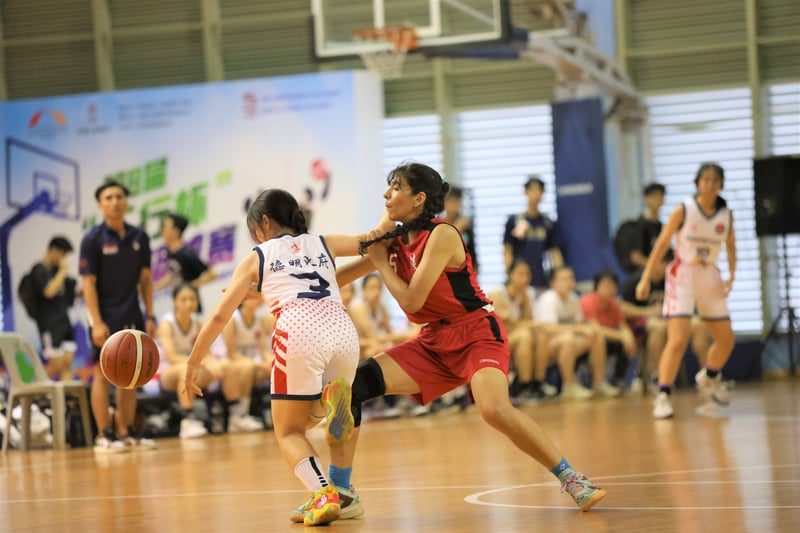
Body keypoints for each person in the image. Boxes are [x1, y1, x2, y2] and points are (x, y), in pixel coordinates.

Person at [331, 162, 606, 515]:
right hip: (433, 342)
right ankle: (342, 491)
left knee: (493, 409)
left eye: (395, 187)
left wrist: (381, 262)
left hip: (476, 332)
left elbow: (412, 300)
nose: (386, 194)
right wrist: (274, 288)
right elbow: (338, 278)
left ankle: (573, 478)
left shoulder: (441, 235)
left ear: (418, 199)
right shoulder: (394, 242)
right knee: (352, 386)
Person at [184, 188, 383, 526]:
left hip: (299, 329)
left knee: (288, 431)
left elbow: (219, 315)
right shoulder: (323, 242)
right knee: (304, 420)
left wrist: (193, 362)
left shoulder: (258, 256)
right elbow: (374, 242)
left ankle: (323, 494)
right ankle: (326, 404)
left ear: (263, 221)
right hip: (342, 329)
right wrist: (391, 219)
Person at [636, 163, 736, 419]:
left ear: (721, 184)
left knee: (725, 340)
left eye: (715, 180)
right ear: (697, 183)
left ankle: (710, 376)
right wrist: (646, 277)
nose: (710, 184)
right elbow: (661, 243)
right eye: (705, 179)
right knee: (678, 339)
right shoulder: (684, 209)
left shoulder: (726, 214)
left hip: (709, 274)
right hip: (682, 274)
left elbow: (732, 247)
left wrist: (732, 275)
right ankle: (663, 395)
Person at [79, 179, 157, 453]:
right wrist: (96, 322)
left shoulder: (140, 237)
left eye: (119, 196)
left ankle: (125, 431)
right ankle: (104, 434)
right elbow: (87, 283)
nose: (114, 201)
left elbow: (146, 280)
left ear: (126, 202)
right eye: (108, 197)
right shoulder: (92, 240)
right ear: (101, 205)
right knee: (102, 374)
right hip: (104, 316)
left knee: (131, 376)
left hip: (133, 314)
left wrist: (150, 315)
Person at [158, 284, 262, 438]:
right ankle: (188, 421)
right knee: (184, 370)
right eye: (184, 299)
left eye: (192, 299)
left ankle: (236, 417)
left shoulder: (198, 322)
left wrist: (212, 364)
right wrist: (200, 362)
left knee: (228, 366)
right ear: (175, 302)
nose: (189, 303)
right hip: (168, 373)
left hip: (194, 367)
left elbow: (207, 354)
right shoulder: (167, 324)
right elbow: (172, 357)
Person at [621, 249, 710, 392]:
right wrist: (647, 311)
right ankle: (658, 377)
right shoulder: (637, 279)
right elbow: (622, 308)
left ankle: (708, 374)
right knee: (658, 327)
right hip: (646, 323)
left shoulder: (674, 280)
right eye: (667, 264)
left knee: (698, 324)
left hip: (673, 318)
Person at [535, 266, 620, 400]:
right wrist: (577, 329)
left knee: (595, 336)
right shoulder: (549, 298)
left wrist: (588, 329)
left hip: (566, 342)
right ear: (553, 283)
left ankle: (599, 383)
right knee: (568, 339)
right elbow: (548, 328)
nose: (569, 282)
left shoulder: (573, 298)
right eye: (564, 279)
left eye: (571, 278)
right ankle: (569, 387)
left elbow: (580, 323)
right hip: (546, 345)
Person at [489, 260, 554, 402]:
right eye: (520, 274)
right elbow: (505, 324)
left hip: (514, 335)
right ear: (510, 275)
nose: (525, 278)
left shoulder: (524, 294)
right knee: (525, 336)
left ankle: (537, 384)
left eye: (527, 274)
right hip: (495, 341)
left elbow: (528, 320)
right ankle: (524, 385)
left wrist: (532, 325)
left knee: (541, 335)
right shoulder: (497, 293)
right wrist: (528, 325)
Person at [503, 175, 563, 298]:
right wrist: (509, 273)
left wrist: (559, 275)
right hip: (519, 279)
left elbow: (554, 251)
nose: (535, 194)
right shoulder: (514, 221)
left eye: (539, 190)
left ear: (543, 194)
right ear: (525, 192)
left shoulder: (547, 223)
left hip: (541, 278)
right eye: (532, 190)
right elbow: (507, 250)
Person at [28, 236, 78, 381]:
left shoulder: (57, 272)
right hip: (49, 325)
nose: (63, 259)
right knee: (56, 365)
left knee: (67, 363)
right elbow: (48, 292)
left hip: (64, 322)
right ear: (53, 250)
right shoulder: (39, 270)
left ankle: (65, 400)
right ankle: (29, 390)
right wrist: (62, 272)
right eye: (62, 254)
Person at [580, 269, 637, 389]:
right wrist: (622, 336)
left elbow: (623, 326)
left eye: (613, 286)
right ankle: (597, 383)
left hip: (607, 338)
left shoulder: (614, 304)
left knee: (627, 343)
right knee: (602, 340)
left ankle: (618, 380)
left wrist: (629, 337)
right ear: (597, 286)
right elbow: (596, 329)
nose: (610, 289)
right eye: (606, 285)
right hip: (589, 340)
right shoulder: (588, 301)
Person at [155, 213, 218, 311]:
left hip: (191, 307)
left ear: (175, 231)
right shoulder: (169, 252)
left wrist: (190, 286)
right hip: (179, 306)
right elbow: (173, 275)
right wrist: (153, 287)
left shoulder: (186, 253)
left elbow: (212, 274)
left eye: (165, 227)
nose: (162, 231)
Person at [629, 183, 666, 271]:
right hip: (646, 272)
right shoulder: (641, 224)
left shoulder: (660, 225)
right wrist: (654, 267)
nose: (658, 199)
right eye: (654, 195)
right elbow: (636, 257)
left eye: (661, 195)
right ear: (646, 199)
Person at [443, 185, 478, 272]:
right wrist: (457, 228)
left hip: (466, 270)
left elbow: (472, 251)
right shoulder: (439, 225)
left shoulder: (466, 224)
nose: (454, 207)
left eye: (457, 202)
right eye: (451, 202)